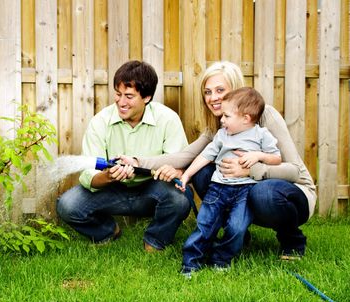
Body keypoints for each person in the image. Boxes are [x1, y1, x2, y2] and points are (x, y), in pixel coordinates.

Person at [125, 61, 316, 261]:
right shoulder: (220, 126)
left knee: (263, 192)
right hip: (244, 191)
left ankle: (292, 242)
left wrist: (253, 170)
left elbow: (294, 171)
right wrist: (137, 162)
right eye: (207, 92)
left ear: (236, 90)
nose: (213, 98)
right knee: (203, 172)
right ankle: (237, 236)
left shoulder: (264, 116)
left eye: (220, 90)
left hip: (292, 196)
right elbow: (186, 156)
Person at [56, 60, 191, 251]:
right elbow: (88, 175)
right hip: (112, 190)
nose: (121, 102)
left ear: (147, 97)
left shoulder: (168, 119)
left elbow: (180, 162)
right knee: (67, 205)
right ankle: (107, 232)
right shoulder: (100, 122)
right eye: (118, 95)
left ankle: (155, 240)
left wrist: (173, 171)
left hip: (152, 189)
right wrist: (108, 176)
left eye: (129, 96)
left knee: (181, 199)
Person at [176, 87, 281, 274]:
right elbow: (205, 156)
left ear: (246, 118)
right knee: (205, 224)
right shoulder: (222, 135)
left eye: (226, 116)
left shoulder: (261, 135)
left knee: (237, 227)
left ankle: (221, 259)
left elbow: (276, 158)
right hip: (218, 188)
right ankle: (191, 262)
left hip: (245, 192)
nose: (221, 120)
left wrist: (258, 156)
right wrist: (186, 175)